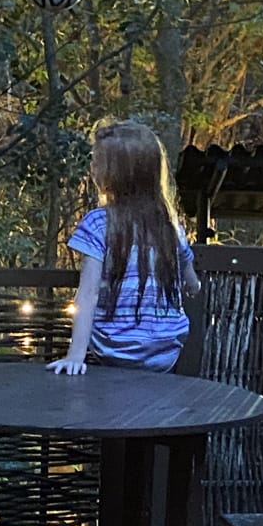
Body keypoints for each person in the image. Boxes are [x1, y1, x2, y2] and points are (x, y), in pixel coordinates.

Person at [47, 120, 201, 376]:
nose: (92, 168)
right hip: (166, 348)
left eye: (97, 161)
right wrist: (194, 285)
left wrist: (75, 356)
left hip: (114, 347)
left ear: (117, 173)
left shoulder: (98, 223)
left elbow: (88, 295)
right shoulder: (169, 225)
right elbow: (189, 274)